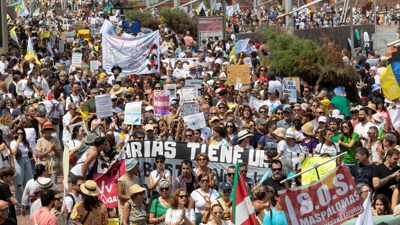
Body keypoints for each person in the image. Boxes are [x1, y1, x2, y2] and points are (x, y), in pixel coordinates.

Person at [11, 127, 35, 210]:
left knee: (28, 182)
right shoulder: (13, 142)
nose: (20, 135)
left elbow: (31, 152)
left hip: (27, 161)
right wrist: (17, 142)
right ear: (15, 134)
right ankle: (19, 202)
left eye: (22, 133)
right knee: (19, 183)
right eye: (18, 133)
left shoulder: (26, 142)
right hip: (18, 161)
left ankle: (27, 202)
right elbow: (14, 153)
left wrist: (36, 161)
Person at [36, 121, 62, 185]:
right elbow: (39, 155)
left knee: (53, 186)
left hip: (54, 167)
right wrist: (48, 151)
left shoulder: (56, 140)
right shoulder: (40, 141)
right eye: (46, 129)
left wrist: (54, 149)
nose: (48, 131)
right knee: (43, 186)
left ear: (52, 131)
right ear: (44, 131)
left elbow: (59, 153)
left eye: (50, 129)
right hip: (43, 168)